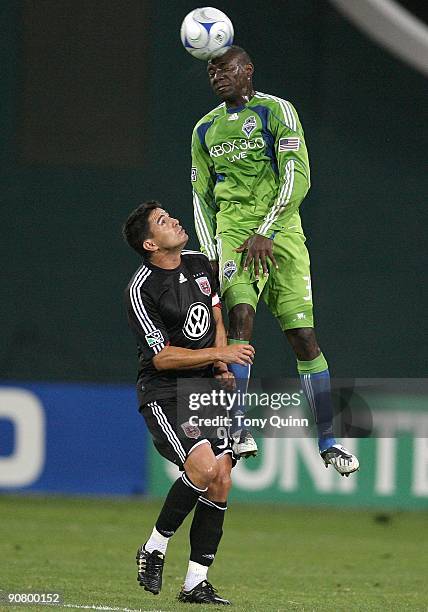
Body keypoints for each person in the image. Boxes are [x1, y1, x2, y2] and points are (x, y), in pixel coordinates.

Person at [191, 45, 359, 475]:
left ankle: (328, 443)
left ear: (247, 70)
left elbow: (297, 175)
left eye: (225, 69)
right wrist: (211, 253)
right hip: (233, 234)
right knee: (240, 319)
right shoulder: (203, 129)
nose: (217, 77)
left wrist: (267, 229)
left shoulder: (276, 111)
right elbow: (202, 197)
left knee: (303, 338)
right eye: (211, 71)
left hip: (281, 234)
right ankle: (238, 428)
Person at [123, 200, 254, 604]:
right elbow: (161, 356)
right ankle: (154, 548)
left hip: (205, 384)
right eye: (162, 221)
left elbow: (215, 317)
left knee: (221, 478)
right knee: (202, 466)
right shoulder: (141, 289)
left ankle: (195, 582)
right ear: (149, 243)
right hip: (165, 390)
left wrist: (218, 363)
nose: (175, 220)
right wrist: (222, 356)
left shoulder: (199, 262)